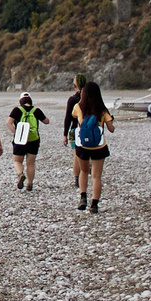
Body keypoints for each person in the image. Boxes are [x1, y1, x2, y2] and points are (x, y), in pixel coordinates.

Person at [71, 79, 115, 212]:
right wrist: (111, 120)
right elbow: (111, 129)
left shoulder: (78, 107)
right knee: (96, 176)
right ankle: (94, 204)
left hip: (82, 145)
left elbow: (74, 116)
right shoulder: (102, 109)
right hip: (99, 146)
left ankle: (83, 197)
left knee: (84, 171)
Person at [5, 91, 47, 189]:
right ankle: (30, 184)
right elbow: (46, 121)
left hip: (20, 139)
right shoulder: (36, 110)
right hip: (34, 139)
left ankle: (20, 174)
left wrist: (16, 133)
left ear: (21, 100)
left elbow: (8, 123)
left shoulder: (16, 110)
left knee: (17, 161)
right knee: (31, 163)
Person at [62, 74, 88, 191]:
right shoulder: (89, 97)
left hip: (74, 129)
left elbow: (68, 117)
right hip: (88, 129)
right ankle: (87, 173)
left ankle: (77, 179)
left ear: (75, 84)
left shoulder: (73, 100)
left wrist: (64, 134)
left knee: (76, 155)